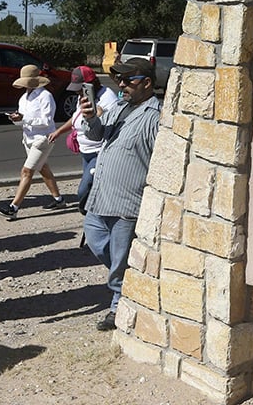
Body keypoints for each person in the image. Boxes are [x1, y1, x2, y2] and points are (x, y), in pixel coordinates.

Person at [79, 58, 161, 331]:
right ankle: (129, 282)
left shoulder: (155, 117)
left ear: (147, 83)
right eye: (119, 80)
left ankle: (118, 306)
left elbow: (160, 163)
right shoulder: (119, 108)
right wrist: (90, 118)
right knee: (97, 242)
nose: (121, 85)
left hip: (128, 203)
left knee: (120, 256)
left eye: (128, 80)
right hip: (101, 199)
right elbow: (100, 135)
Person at [0, 64, 66, 221]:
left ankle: (13, 207)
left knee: (27, 171)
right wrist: (16, 119)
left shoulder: (45, 96)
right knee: (42, 168)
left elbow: (47, 121)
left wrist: (24, 118)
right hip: (28, 138)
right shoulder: (23, 98)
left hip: (43, 138)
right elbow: (23, 121)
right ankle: (59, 199)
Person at [48, 65, 118, 208]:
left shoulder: (107, 98)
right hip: (85, 151)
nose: (78, 92)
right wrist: (59, 131)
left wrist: (98, 114)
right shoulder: (85, 96)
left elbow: (109, 125)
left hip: (98, 152)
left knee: (83, 192)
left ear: (91, 84)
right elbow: (76, 117)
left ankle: (94, 216)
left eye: (80, 88)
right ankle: (95, 218)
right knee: (93, 189)